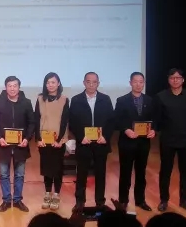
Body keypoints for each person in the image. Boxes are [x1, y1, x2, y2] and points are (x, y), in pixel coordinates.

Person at [68, 72, 115, 209]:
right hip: (84, 142)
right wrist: (80, 136)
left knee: (100, 173)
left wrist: (105, 136)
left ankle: (100, 202)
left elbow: (111, 121)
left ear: (98, 83)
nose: (91, 85)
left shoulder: (105, 99)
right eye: (88, 82)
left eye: (94, 82)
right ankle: (79, 201)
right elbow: (72, 122)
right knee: (81, 173)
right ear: (84, 83)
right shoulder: (76, 100)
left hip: (101, 143)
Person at [156, 68, 186, 213]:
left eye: (178, 78)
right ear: (168, 80)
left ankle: (184, 200)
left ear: (183, 80)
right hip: (168, 139)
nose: (175, 80)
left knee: (185, 171)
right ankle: (163, 200)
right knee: (165, 171)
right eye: (172, 78)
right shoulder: (161, 96)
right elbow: (158, 117)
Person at [115, 71, 157, 212]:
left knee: (141, 173)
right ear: (130, 83)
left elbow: (154, 119)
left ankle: (140, 200)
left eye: (141, 82)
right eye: (135, 81)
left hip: (143, 143)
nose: (138, 84)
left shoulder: (150, 100)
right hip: (126, 143)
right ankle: (123, 201)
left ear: (143, 83)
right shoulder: (122, 100)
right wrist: (125, 129)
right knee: (125, 173)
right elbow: (117, 120)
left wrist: (153, 130)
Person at [0, 76, 34, 212]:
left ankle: (17, 200)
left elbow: (32, 123)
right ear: (5, 87)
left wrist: (27, 138)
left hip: (21, 146)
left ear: (19, 87)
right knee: (4, 175)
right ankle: (6, 200)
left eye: (15, 86)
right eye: (9, 86)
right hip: (3, 145)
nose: (12, 88)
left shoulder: (26, 103)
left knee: (19, 175)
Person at [34, 72, 69, 211]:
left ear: (58, 84)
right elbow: (36, 119)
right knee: (47, 168)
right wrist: (38, 138)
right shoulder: (40, 99)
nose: (50, 85)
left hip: (58, 141)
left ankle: (56, 194)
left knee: (58, 168)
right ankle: (47, 193)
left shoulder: (64, 99)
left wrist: (60, 140)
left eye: (53, 82)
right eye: (48, 82)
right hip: (44, 140)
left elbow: (65, 121)